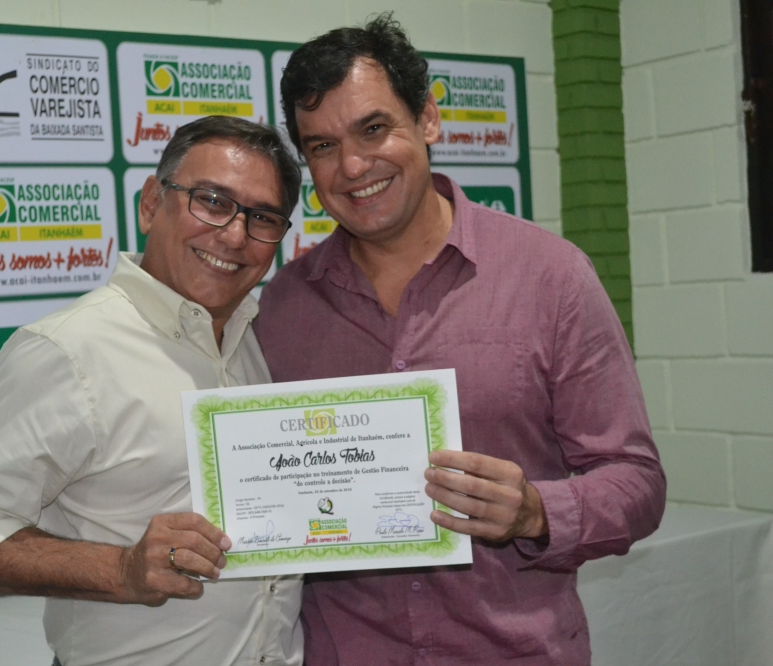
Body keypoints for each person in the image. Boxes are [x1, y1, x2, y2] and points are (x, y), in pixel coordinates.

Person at [254, 15, 666, 665]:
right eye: (323, 146)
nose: (353, 166)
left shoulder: (551, 277)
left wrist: (535, 511)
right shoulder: (281, 309)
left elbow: (637, 483)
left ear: (428, 119)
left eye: (373, 129)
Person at [0, 116, 303, 666]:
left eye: (262, 217)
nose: (235, 235)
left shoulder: (260, 341)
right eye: (212, 201)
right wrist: (122, 569)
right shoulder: (67, 350)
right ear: (151, 203)